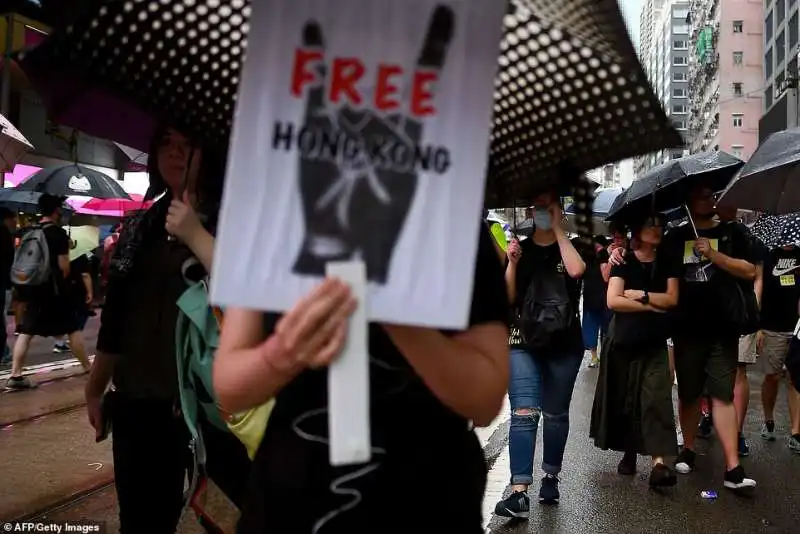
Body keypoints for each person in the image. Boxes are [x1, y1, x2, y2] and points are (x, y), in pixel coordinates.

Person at [216, 224, 508, 533]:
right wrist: (280, 354)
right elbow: (230, 387)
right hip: (290, 500)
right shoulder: (270, 215)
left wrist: (397, 316)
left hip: (429, 498)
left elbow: (485, 400)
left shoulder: (452, 219)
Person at [84, 125, 250, 533]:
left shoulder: (235, 219)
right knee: (142, 522)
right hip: (141, 405)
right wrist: (95, 386)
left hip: (214, 413)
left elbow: (252, 296)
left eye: (187, 145)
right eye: (166, 144)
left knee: (226, 522)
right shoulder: (142, 227)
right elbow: (118, 318)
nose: (175, 155)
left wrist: (195, 233)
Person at [494, 190, 586, 519]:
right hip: (523, 341)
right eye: (538, 207)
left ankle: (551, 475)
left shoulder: (573, 246)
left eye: (550, 207)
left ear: (560, 209)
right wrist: (512, 262)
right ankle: (519, 492)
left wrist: (560, 230)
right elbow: (508, 296)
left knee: (556, 414)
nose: (543, 212)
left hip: (564, 344)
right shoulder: (520, 248)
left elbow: (576, 271)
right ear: (530, 212)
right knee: (523, 411)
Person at [664, 182, 758, 491]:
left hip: (723, 328)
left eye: (711, 194)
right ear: (688, 200)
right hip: (687, 329)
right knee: (689, 392)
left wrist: (714, 255)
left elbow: (749, 271)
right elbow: (665, 276)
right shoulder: (676, 237)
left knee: (722, 393)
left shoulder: (733, 233)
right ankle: (688, 448)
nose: (707, 198)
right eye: (701, 194)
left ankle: (733, 467)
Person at [590, 212, 679, 487]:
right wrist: (653, 306)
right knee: (626, 398)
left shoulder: (668, 259)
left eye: (660, 224)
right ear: (637, 229)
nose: (657, 228)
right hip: (623, 340)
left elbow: (672, 298)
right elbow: (614, 300)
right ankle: (628, 452)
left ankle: (659, 464)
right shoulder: (623, 259)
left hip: (653, 341)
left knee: (656, 397)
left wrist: (642, 296)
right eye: (651, 223)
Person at [7, 195, 90, 389]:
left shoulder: (30, 230)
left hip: (33, 288)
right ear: (56, 211)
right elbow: (64, 267)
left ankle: (15, 375)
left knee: (26, 330)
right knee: (73, 328)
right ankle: (88, 368)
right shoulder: (58, 234)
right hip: (55, 291)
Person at [757, 242, 800, 452]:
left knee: (795, 379)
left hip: (798, 326)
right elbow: (760, 287)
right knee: (772, 376)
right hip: (772, 326)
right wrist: (758, 326)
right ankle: (768, 419)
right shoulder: (769, 254)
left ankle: (796, 432)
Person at [582, 235, 611, 368]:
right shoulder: (598, 255)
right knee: (598, 328)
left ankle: (598, 357)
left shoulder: (595, 255)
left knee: (599, 328)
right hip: (597, 297)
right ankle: (598, 357)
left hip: (597, 297)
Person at [0, 208, 16, 364]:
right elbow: (9, 260)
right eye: (13, 218)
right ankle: (3, 352)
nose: (15, 222)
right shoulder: (4, 233)